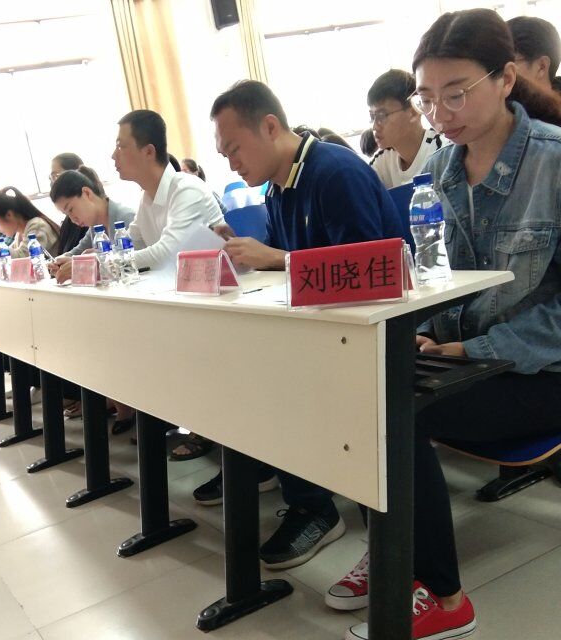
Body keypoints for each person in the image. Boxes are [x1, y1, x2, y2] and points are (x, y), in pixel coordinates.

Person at [335, 10, 561, 640]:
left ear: (506, 79)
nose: (440, 113)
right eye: (427, 98)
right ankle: (396, 546)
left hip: (554, 370)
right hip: (472, 356)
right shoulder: (442, 169)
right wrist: (423, 329)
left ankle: (443, 597)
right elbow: (443, 281)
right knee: (355, 392)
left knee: (395, 418)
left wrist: (475, 347)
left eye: (456, 93)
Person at [210, 79, 405, 570]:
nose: (231, 164)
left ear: (269, 126)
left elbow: (368, 273)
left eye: (234, 149)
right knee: (238, 368)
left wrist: (275, 258)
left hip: (374, 333)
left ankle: (315, 506)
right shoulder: (280, 187)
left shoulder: (335, 172)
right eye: (224, 154)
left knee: (275, 382)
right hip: (324, 327)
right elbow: (292, 271)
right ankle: (302, 496)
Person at [112, 109, 223, 271]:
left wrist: (107, 263)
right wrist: (99, 256)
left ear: (149, 152)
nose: (114, 155)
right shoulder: (147, 198)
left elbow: (168, 254)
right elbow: (128, 245)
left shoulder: (187, 190)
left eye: (120, 146)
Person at [367, 69, 445, 188]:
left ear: (413, 112)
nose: (374, 126)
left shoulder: (442, 150)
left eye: (382, 115)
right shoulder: (381, 161)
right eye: (372, 117)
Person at [0, 187, 60, 257]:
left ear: (9, 215)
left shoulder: (37, 226)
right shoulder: (20, 234)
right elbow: (10, 255)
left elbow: (22, 259)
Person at [49, 152, 87, 255]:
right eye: (51, 178)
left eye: (56, 176)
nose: (53, 183)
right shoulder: (68, 222)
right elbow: (65, 254)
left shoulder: (90, 220)